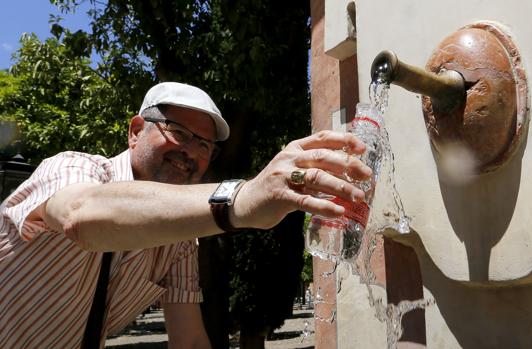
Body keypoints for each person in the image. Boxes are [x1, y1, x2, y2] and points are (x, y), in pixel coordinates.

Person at [0, 82, 371, 348]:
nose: (191, 152)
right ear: (135, 131)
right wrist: (240, 200)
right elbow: (82, 217)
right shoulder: (72, 168)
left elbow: (190, 339)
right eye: (178, 131)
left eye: (205, 144)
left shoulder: (178, 238)